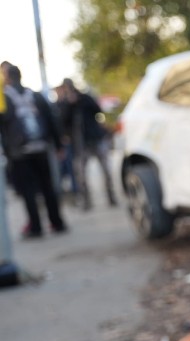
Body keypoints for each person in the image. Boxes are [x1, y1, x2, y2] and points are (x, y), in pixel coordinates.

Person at [0, 63, 68, 238]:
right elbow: (52, 120)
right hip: (41, 148)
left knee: (28, 191)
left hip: (19, 153)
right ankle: (57, 222)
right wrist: (59, 146)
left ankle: (36, 227)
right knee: (48, 187)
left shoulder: (4, 98)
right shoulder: (35, 95)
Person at [59, 78, 117, 209]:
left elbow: (97, 109)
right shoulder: (64, 103)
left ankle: (111, 196)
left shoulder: (85, 98)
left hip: (95, 138)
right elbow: (63, 121)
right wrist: (69, 104)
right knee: (81, 174)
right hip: (80, 142)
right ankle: (86, 201)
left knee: (106, 169)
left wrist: (80, 101)